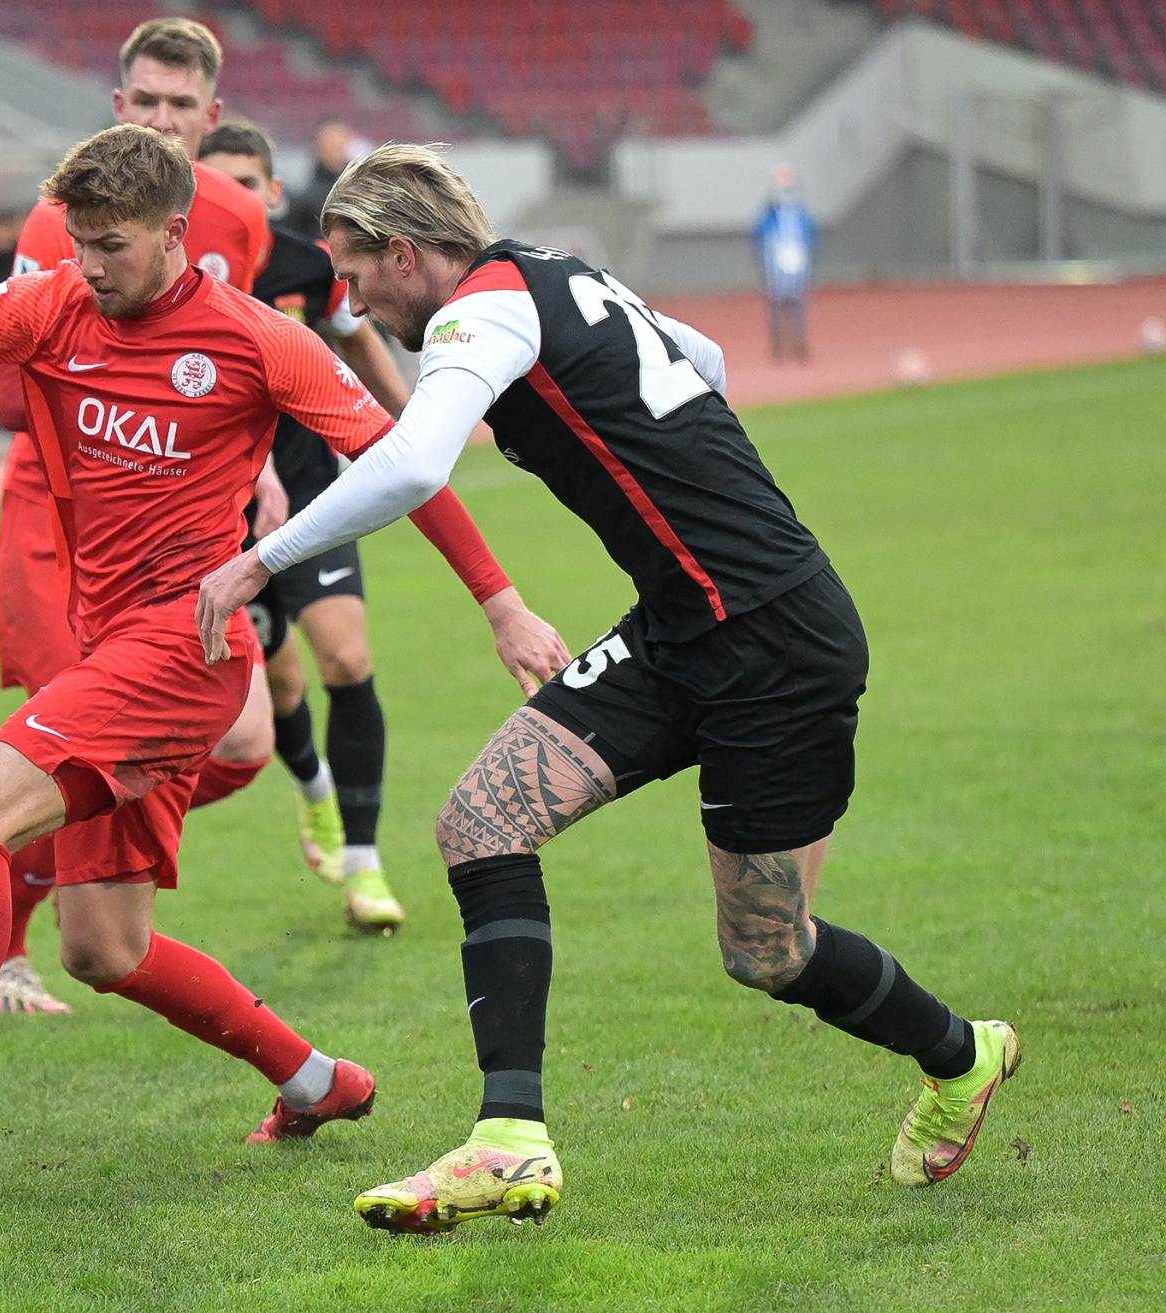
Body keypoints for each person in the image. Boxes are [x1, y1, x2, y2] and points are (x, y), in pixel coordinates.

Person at [0, 124, 536, 1170]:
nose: (88, 265)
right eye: (78, 242)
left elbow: (404, 468)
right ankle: (318, 1080)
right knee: (104, 948)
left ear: (174, 233)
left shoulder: (259, 339)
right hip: (112, 651)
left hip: (185, 650)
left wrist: (500, 601)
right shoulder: (51, 307)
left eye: (110, 245)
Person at [198, 144, 1020, 1233]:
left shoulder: (479, 310)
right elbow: (704, 358)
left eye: (355, 274)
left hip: (776, 643)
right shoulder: (556, 273)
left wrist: (261, 560)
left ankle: (963, 1055)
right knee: (481, 822)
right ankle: (508, 1138)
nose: (350, 302)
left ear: (405, 252)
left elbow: (414, 462)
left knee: (767, 951)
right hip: (684, 628)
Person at [0, 16, 284, 1014]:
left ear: (213, 113)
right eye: (144, 102)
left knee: (244, 741)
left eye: (178, 105)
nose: (160, 120)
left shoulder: (239, 219)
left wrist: (250, 471)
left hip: (182, 533)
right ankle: (4, 944)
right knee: (70, 744)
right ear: (117, 106)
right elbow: (8, 398)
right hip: (65, 518)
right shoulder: (59, 221)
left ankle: (58, 865)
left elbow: (244, 369)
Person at [199, 120, 426, 931]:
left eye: (244, 183)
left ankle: (364, 865)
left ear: (272, 190)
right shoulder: (179, 276)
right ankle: (315, 789)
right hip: (220, 512)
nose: (229, 198)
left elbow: (355, 337)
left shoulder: (310, 265)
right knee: (283, 685)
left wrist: (413, 422)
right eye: (212, 183)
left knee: (348, 657)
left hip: (308, 493)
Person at [754, 163, 816, 361]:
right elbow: (759, 235)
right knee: (776, 302)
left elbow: (810, 234)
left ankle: (799, 344)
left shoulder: (800, 213)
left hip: (797, 258)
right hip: (776, 259)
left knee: (797, 301)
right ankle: (778, 346)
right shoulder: (769, 214)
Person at [286, 118, 362, 237]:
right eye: (329, 142)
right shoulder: (305, 196)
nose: (334, 145)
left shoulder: (364, 185)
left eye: (338, 141)